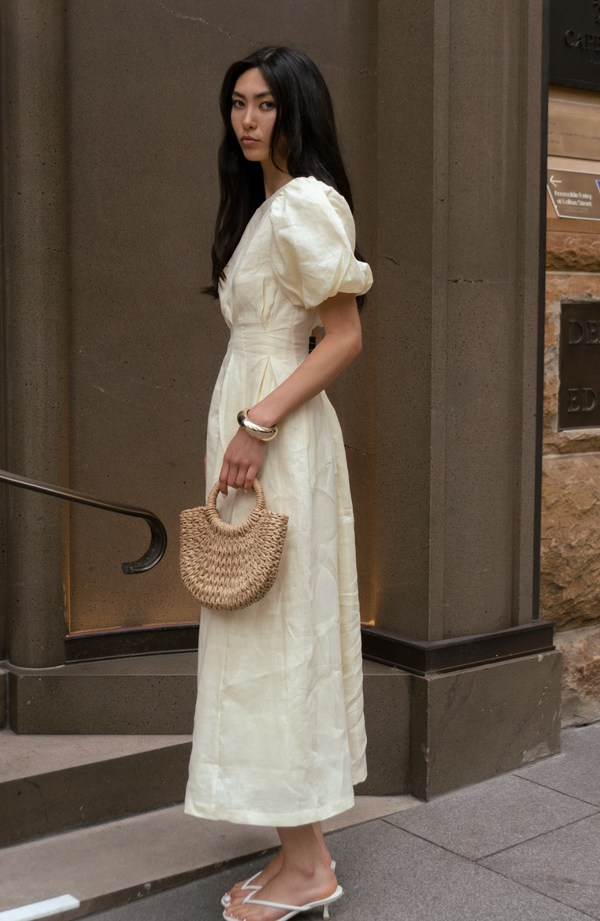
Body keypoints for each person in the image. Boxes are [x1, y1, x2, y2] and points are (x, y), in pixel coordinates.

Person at [183, 45, 373, 921]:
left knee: (280, 635)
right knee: (264, 633)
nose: (248, 119)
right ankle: (305, 853)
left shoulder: (303, 203)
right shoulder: (266, 205)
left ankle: (307, 869)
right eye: (237, 104)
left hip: (279, 435)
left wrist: (256, 426)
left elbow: (343, 336)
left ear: (297, 110)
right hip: (259, 425)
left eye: (264, 103)